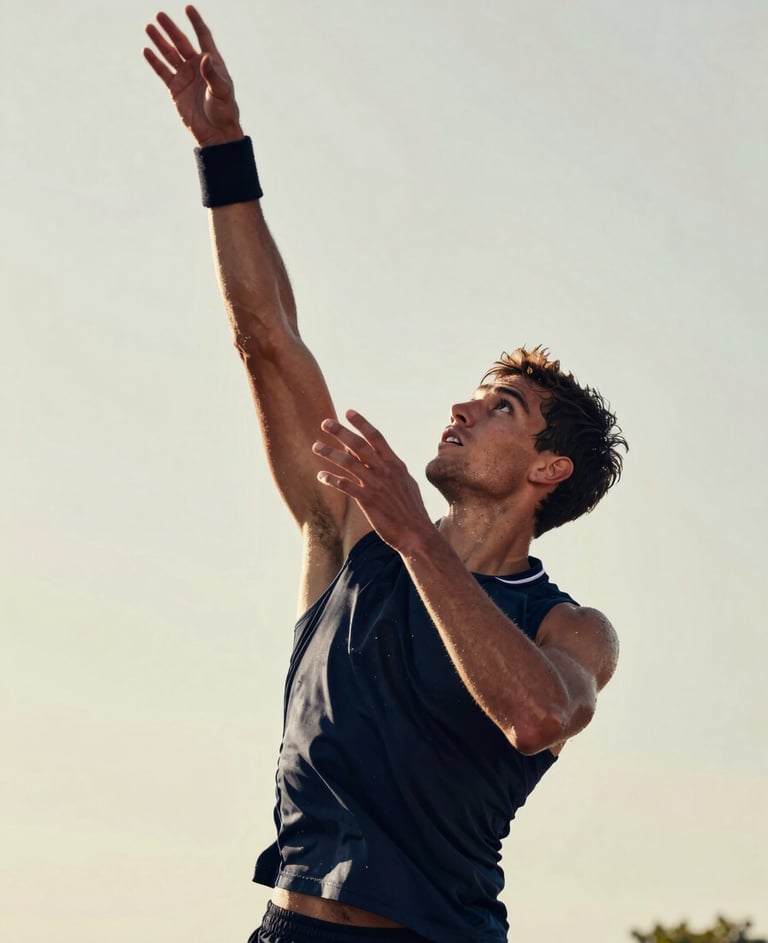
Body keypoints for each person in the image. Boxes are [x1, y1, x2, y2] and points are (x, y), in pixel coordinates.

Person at [144, 8, 627, 943]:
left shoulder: (569, 626)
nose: (462, 409)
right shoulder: (350, 529)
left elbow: (536, 715)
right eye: (474, 394)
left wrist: (413, 533)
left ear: (548, 468)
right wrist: (222, 150)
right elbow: (269, 341)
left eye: (502, 408)